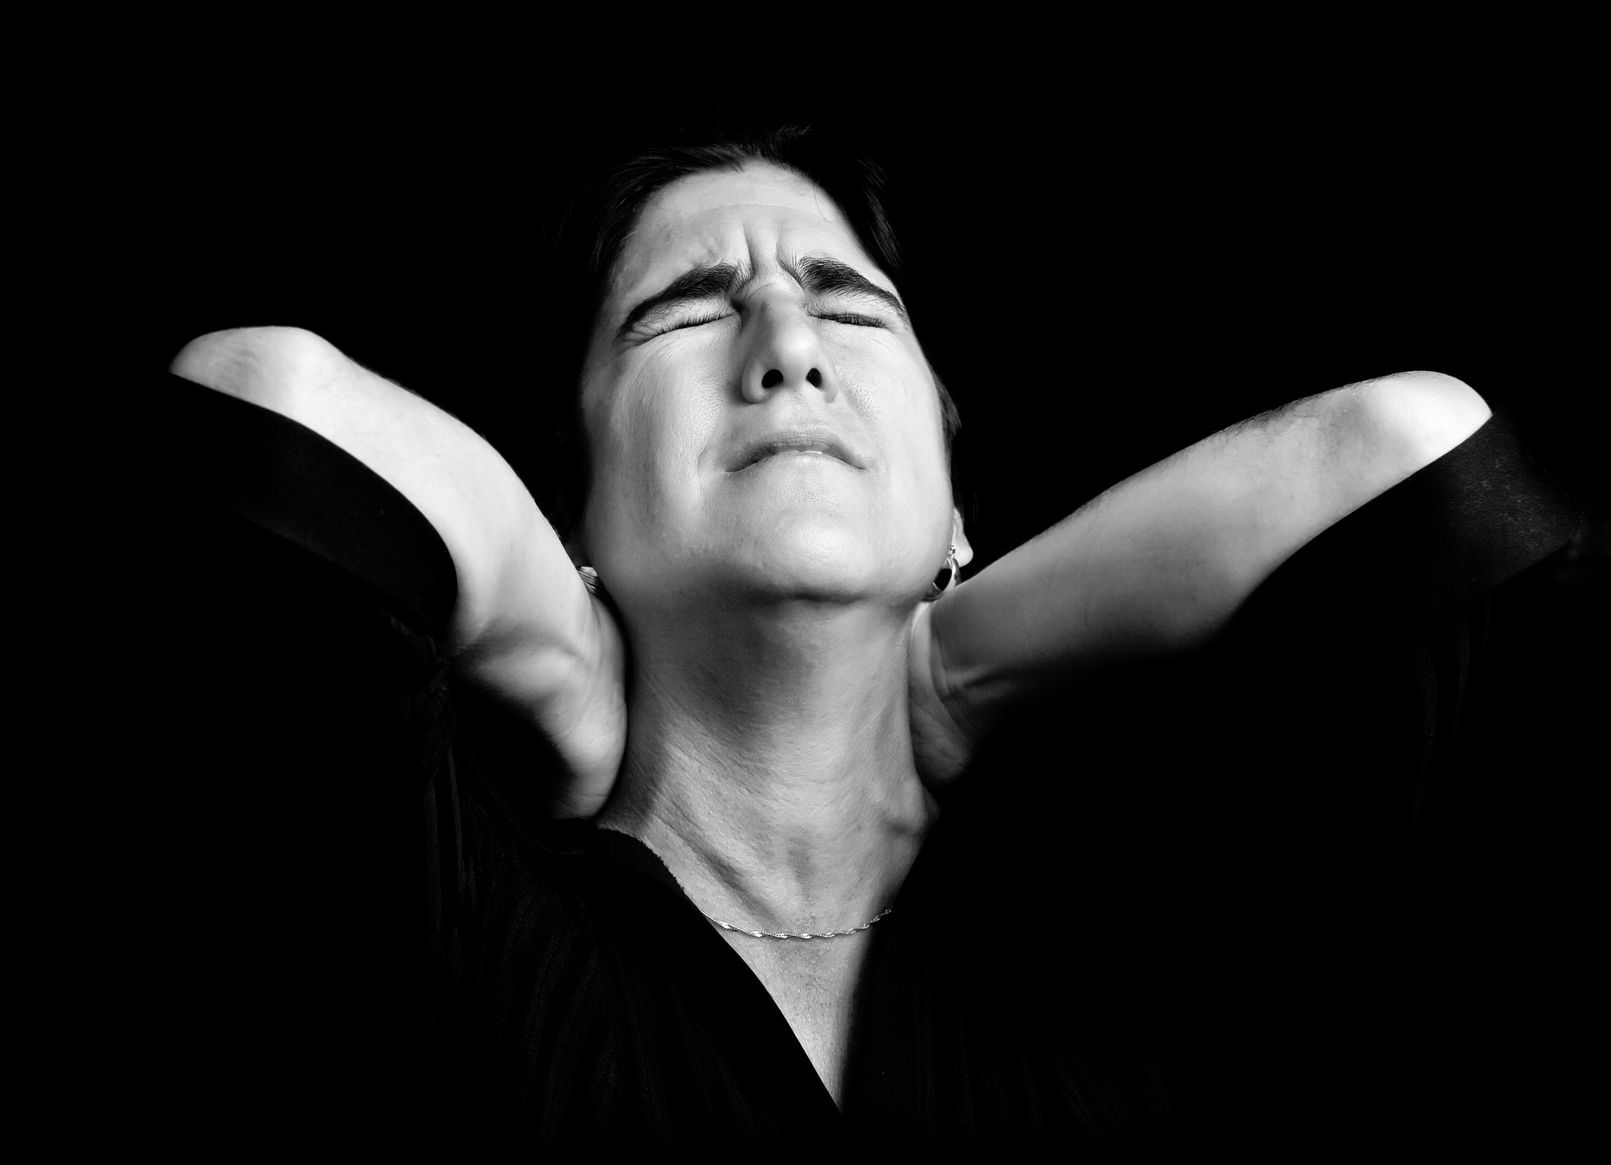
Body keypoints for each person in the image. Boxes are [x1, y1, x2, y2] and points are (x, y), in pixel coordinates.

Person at [144, 126, 1582, 1150]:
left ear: (953, 482)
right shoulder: (457, 918)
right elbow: (262, 407)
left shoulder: (1123, 925)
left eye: (848, 301)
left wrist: (962, 660)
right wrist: (560, 658)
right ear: (567, 497)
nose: (786, 341)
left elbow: (1428, 463)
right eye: (681, 311)